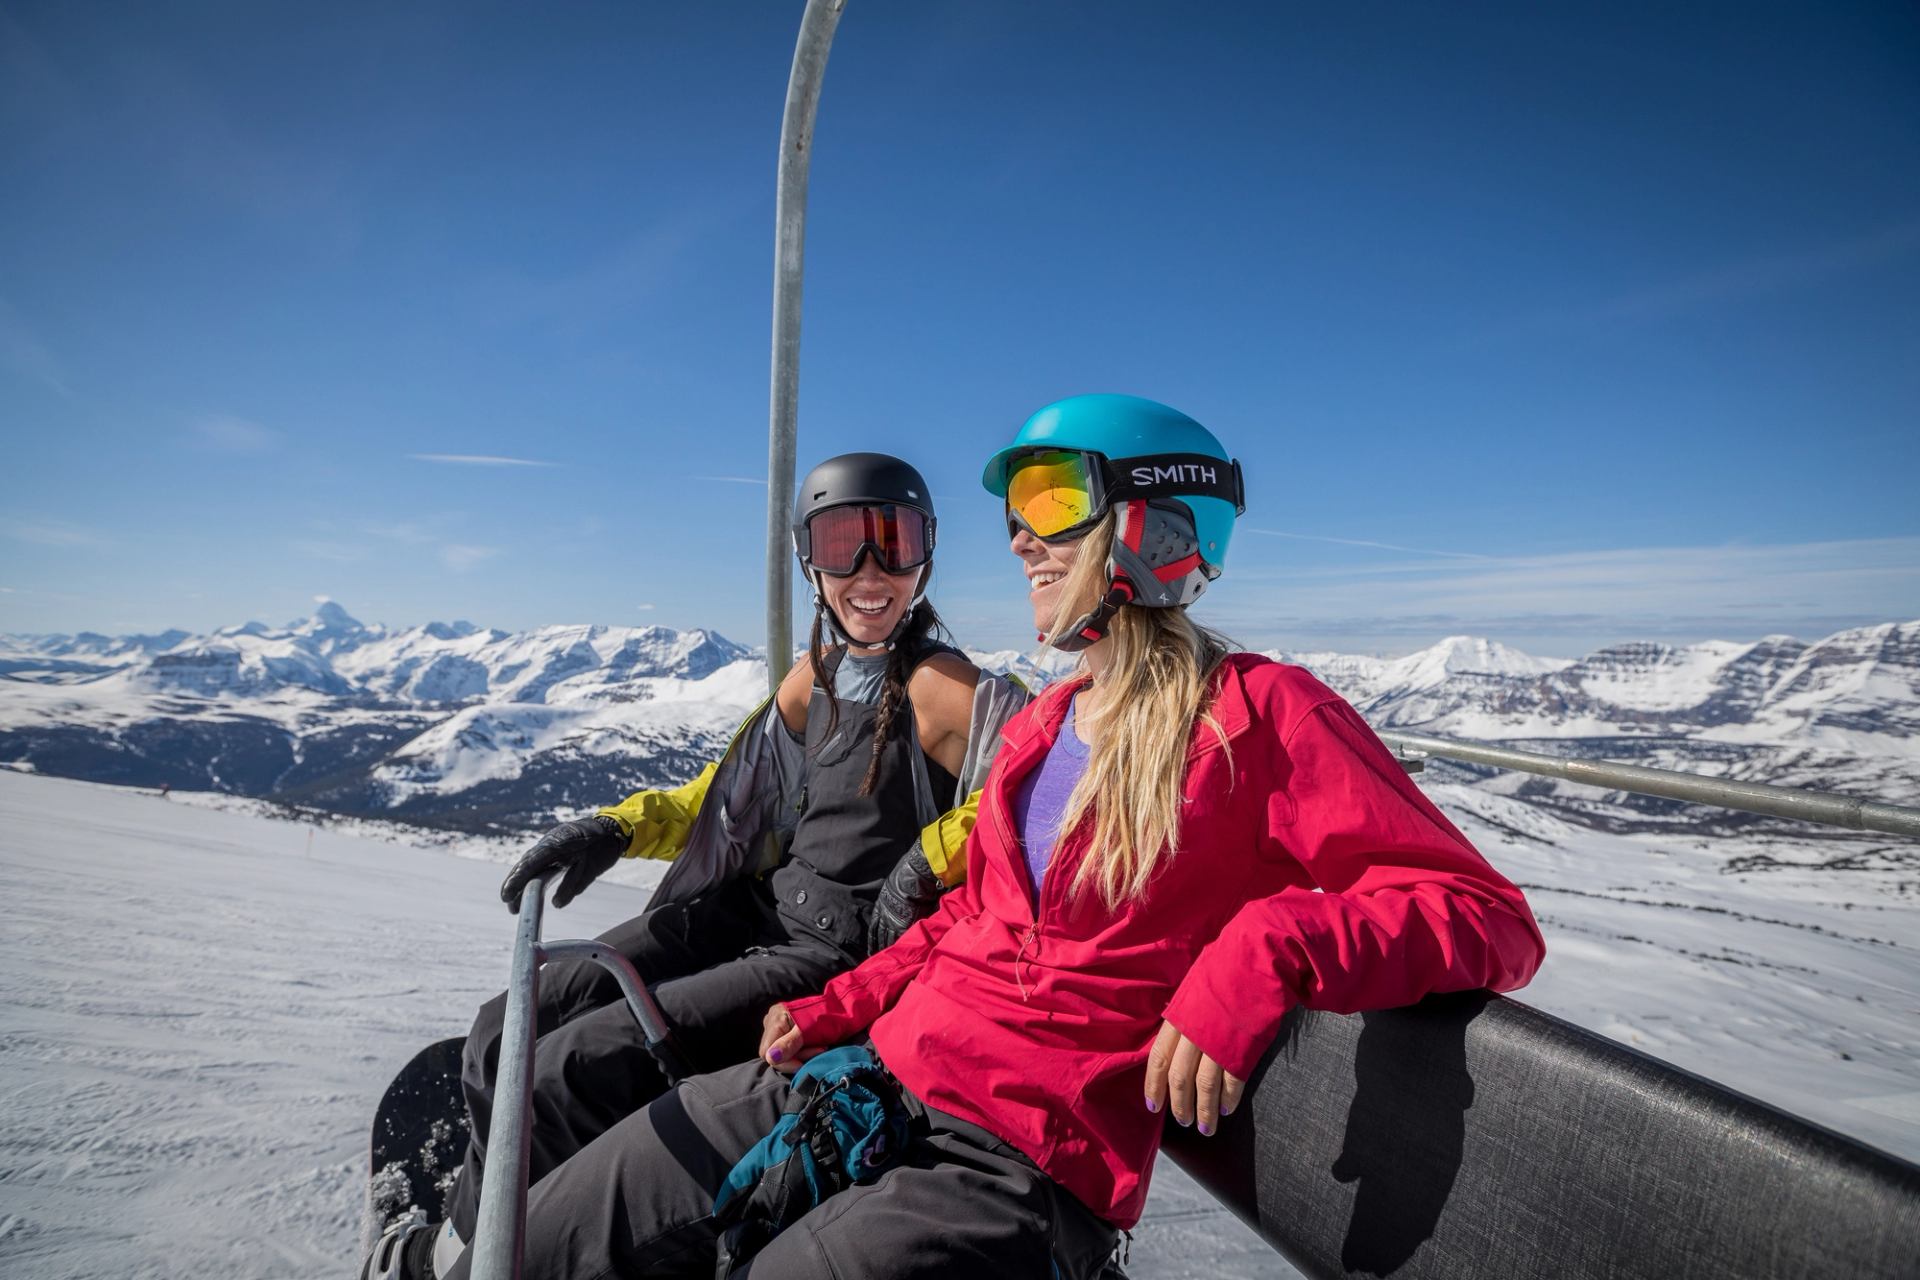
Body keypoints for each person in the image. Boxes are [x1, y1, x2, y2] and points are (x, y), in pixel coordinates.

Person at [437, 395, 1546, 1280]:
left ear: (1153, 522)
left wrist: (1265, 951)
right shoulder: (1051, 723)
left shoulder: (1263, 714)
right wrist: (845, 1003)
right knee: (544, 1236)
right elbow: (974, 916)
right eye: (1013, 508)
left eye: (1053, 497)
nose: (1020, 536)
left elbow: (1483, 915)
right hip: (865, 1071)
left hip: (1015, 1155)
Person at [372, 453, 1029, 1280]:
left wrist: (928, 860)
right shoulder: (816, 676)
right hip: (753, 914)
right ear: (809, 559)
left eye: (892, 544)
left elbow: (1045, 784)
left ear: (925, 557)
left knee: (564, 1076)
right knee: (512, 1022)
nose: (871, 572)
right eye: (842, 543)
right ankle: (466, 1237)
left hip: (827, 957)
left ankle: (468, 1263)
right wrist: (620, 827)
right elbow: (731, 796)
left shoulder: (940, 685)